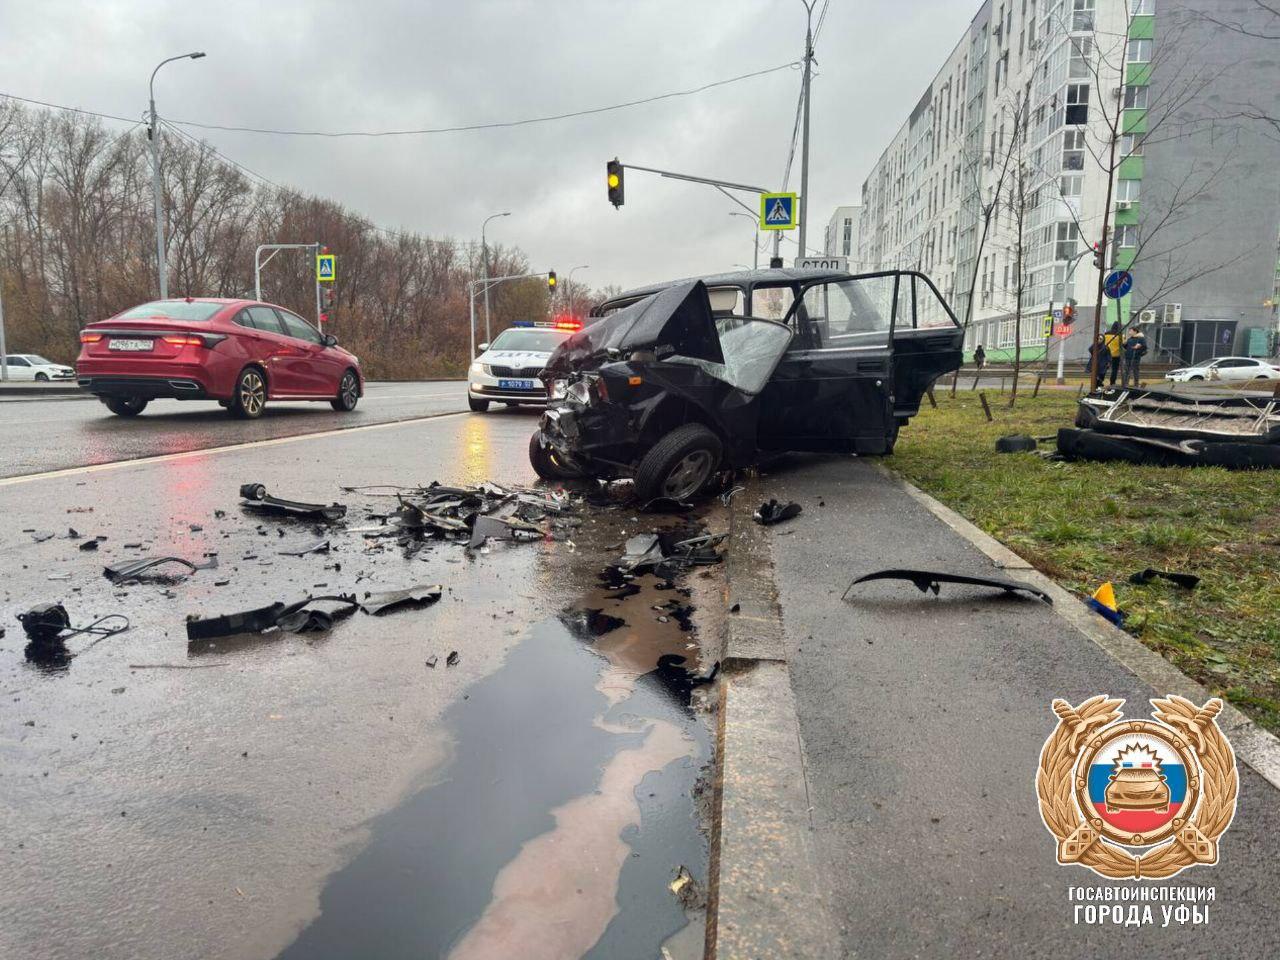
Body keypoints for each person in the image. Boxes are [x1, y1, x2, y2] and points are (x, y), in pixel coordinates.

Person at [1103, 322, 1123, 387]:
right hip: (1116, 355)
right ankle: (1112, 383)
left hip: (1106, 355)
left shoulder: (1106, 334)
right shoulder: (1120, 335)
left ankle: (1100, 381)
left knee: (1104, 368)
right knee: (1114, 370)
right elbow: (1123, 344)